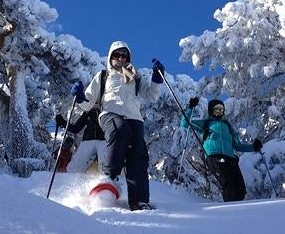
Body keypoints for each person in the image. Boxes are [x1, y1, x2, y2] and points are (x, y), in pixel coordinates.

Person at [71, 40, 164, 210]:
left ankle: (139, 201)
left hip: (134, 118)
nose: (121, 58)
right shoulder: (103, 76)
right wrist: (80, 97)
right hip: (110, 113)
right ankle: (108, 176)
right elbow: (89, 102)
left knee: (138, 155)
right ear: (110, 56)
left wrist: (157, 79)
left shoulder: (135, 77)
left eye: (124, 55)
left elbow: (150, 95)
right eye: (117, 54)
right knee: (120, 130)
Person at [180, 97, 263, 202]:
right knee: (228, 183)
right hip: (214, 157)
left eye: (221, 109)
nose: (219, 111)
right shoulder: (206, 123)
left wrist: (253, 147)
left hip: (230, 158)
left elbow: (238, 146)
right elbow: (185, 123)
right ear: (211, 111)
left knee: (240, 188)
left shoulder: (228, 126)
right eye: (216, 109)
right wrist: (190, 107)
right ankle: (230, 212)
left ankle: (239, 210)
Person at [55, 105, 106, 173]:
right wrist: (63, 123)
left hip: (104, 141)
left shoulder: (108, 111)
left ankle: (106, 180)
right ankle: (71, 180)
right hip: (88, 140)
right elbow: (76, 128)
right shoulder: (88, 112)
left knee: (106, 166)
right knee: (75, 167)